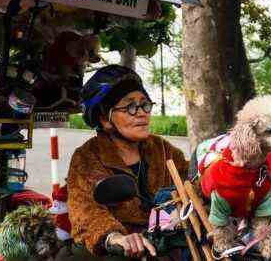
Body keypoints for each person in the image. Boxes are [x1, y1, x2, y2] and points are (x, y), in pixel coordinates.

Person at [65, 65, 188, 259]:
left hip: (165, 241)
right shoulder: (87, 157)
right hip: (121, 250)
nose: (142, 113)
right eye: (130, 106)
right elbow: (85, 211)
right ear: (106, 119)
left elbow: (189, 180)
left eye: (145, 104)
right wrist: (115, 237)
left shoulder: (162, 148)